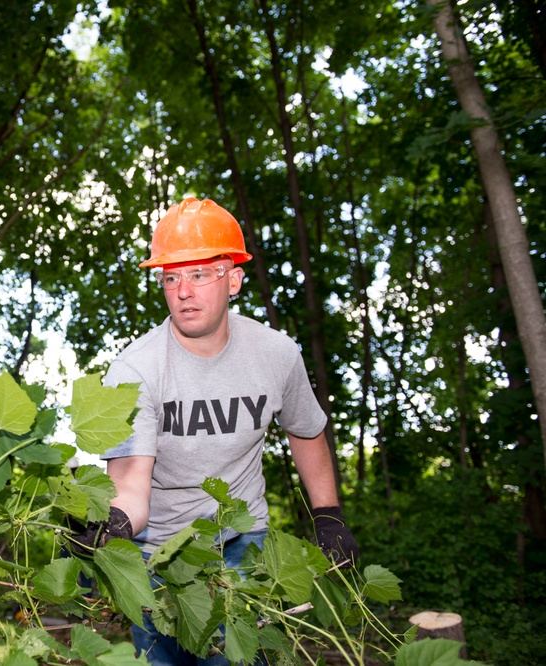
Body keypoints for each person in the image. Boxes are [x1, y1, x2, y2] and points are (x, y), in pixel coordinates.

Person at [94, 197, 358, 665]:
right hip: (157, 549)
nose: (183, 291)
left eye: (199, 274)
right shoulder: (135, 370)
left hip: (241, 537)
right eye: (171, 277)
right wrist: (109, 525)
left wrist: (329, 513)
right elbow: (131, 483)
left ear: (233, 279)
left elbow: (306, 430)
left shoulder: (275, 354)